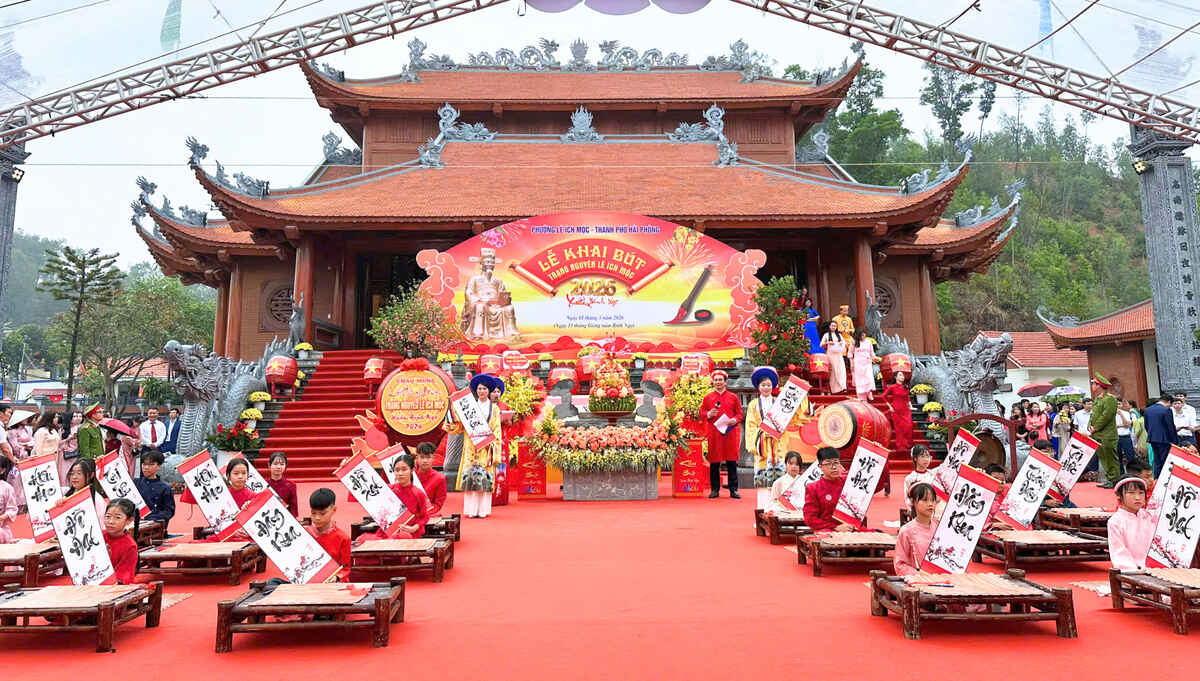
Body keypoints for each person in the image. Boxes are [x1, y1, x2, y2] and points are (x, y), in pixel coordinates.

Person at [448, 373, 502, 518]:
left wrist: (494, 448)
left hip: (486, 447)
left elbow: (497, 429)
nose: (482, 391)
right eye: (479, 389)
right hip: (471, 446)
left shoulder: (494, 409)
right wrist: (451, 418)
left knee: (484, 478)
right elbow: (460, 427)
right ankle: (471, 510)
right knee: (471, 478)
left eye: (484, 389)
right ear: (476, 390)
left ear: (489, 391)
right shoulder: (469, 407)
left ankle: (483, 510)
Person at [746, 366, 784, 508]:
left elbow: (785, 422)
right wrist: (763, 432)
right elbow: (750, 425)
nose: (766, 388)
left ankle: (779, 511)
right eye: (763, 385)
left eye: (769, 385)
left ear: (773, 386)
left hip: (777, 445)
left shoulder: (779, 403)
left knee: (779, 480)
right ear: (758, 387)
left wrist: (776, 431)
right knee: (762, 480)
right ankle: (762, 511)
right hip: (762, 445)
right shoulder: (753, 405)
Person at [702, 369, 743, 499]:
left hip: (729, 433)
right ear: (712, 382)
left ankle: (733, 489)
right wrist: (709, 414)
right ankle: (715, 489)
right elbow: (702, 413)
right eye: (716, 380)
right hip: (714, 433)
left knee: (731, 461)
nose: (718, 382)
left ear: (725, 382)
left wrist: (734, 420)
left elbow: (740, 414)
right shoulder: (708, 398)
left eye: (721, 380)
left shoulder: (733, 397)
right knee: (714, 462)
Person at [1107, 476, 1155, 570]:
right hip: (1132, 572)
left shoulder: (1149, 516)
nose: (1137, 498)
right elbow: (1119, 553)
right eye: (1131, 493)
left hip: (1156, 569)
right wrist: (1136, 571)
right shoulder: (1115, 522)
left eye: (1141, 493)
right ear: (1119, 496)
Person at [803, 447, 851, 532]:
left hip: (851, 527)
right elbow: (810, 519)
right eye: (828, 463)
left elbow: (872, 483)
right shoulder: (813, 488)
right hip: (828, 530)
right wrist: (836, 527)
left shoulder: (848, 482)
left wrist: (875, 452)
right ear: (820, 467)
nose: (833, 467)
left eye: (836, 462)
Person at [894, 483, 938, 576]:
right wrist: (918, 575)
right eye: (925, 500)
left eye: (932, 500)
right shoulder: (906, 531)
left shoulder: (939, 527)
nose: (930, 504)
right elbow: (900, 564)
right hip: (919, 582)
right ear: (913, 502)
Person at [306, 488, 352, 575]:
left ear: (334, 510)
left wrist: (337, 577)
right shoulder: (304, 534)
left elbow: (346, 569)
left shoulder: (342, 538)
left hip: (329, 583)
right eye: (313, 513)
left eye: (322, 513)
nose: (317, 518)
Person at [386, 454, 431, 538]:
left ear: (412, 470)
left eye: (404, 470)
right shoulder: (389, 490)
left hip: (410, 533)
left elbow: (424, 517)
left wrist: (413, 528)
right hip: (390, 531)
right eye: (397, 470)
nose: (400, 473)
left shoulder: (418, 493)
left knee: (402, 537)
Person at [1088, 374, 1119, 487]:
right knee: (1103, 458)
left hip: (1107, 434)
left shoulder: (1110, 399)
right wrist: (1090, 425)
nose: (1092, 385)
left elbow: (1107, 416)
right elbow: (1094, 415)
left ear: (1099, 385)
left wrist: (1095, 427)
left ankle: (1114, 479)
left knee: (1110, 457)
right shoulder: (1098, 398)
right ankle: (1109, 478)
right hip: (1097, 434)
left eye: (1094, 383)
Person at [103, 498, 140, 584]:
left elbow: (124, 576)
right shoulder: (97, 536)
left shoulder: (130, 546)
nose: (111, 521)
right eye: (108, 516)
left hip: (112, 588)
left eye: (117, 517)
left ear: (128, 521)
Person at [134, 449, 175, 524]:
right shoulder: (135, 483)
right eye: (144, 464)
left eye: (151, 464)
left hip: (154, 524)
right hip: (134, 521)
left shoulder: (165, 487)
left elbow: (169, 512)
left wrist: (149, 518)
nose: (146, 467)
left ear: (158, 466)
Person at [1143, 394, 1178, 478]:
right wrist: (1175, 442)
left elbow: (1146, 425)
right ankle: (1164, 479)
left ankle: (1157, 478)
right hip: (1165, 439)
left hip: (1152, 438)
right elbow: (1170, 426)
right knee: (1165, 461)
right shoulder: (1166, 410)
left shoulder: (1147, 410)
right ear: (1169, 402)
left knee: (1157, 460)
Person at [882, 371, 914, 453]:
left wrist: (910, 406)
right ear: (896, 377)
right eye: (900, 375)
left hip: (906, 410)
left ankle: (907, 444)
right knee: (899, 429)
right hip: (896, 410)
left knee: (908, 427)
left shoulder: (905, 387)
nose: (902, 377)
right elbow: (883, 396)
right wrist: (890, 406)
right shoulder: (892, 387)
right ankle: (901, 446)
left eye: (903, 375)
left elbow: (907, 398)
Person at [414, 442, 447, 516]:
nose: (425, 461)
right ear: (417, 458)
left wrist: (423, 513)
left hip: (428, 513)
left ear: (433, 458)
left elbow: (438, 504)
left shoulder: (440, 478)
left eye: (428, 457)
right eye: (422, 457)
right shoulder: (410, 475)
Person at [265, 452, 298, 517]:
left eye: (282, 464)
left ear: (285, 466)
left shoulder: (291, 485)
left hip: (284, 519)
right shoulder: (264, 484)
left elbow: (293, 509)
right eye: (275, 464)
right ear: (269, 465)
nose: (278, 467)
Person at [850, 329, 879, 401]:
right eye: (861, 335)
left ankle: (869, 391)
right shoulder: (854, 343)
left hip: (867, 363)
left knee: (869, 377)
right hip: (858, 363)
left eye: (864, 334)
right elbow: (850, 354)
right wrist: (851, 363)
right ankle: (862, 397)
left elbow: (872, 353)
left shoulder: (868, 342)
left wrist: (876, 358)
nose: (863, 336)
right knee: (860, 380)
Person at [819, 321, 847, 394]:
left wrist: (841, 343)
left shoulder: (839, 335)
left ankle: (842, 387)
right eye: (832, 326)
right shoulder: (826, 335)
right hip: (830, 355)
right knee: (834, 372)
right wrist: (828, 342)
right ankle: (835, 390)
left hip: (838, 354)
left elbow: (845, 343)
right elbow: (821, 344)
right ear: (829, 326)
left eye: (835, 326)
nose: (833, 327)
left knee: (841, 370)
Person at [59, 411, 83, 482]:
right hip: (65, 455)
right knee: (64, 474)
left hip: (76, 454)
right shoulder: (63, 430)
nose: (76, 418)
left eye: (77, 416)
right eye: (74, 416)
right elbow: (59, 444)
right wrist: (68, 439)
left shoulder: (79, 429)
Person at [1116, 398, 1135, 476]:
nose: (1118, 406)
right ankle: (1121, 474)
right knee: (1118, 457)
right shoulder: (1110, 414)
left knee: (1130, 456)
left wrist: (1121, 414)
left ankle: (1132, 473)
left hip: (1125, 437)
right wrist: (1122, 426)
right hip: (1116, 437)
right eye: (1116, 404)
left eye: (1119, 404)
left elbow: (1127, 424)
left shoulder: (1126, 413)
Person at [0, 457, 16, 543]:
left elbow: (12, 510)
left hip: (1, 530)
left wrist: (1, 518)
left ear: (2, 470)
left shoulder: (7, 488)